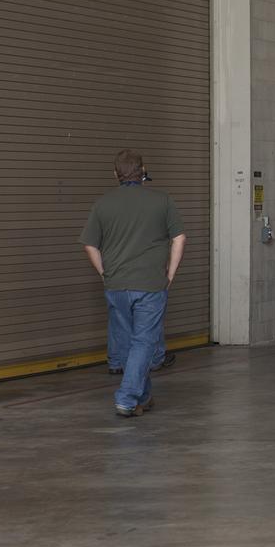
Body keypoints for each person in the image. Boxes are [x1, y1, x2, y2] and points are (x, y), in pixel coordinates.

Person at [81, 149, 186, 417]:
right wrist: (170, 273)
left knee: (129, 342)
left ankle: (144, 395)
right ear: (143, 171)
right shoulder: (162, 201)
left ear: (115, 174)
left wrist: (104, 273)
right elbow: (179, 238)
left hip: (116, 285)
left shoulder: (102, 204)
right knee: (144, 342)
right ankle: (127, 398)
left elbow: (90, 245)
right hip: (150, 284)